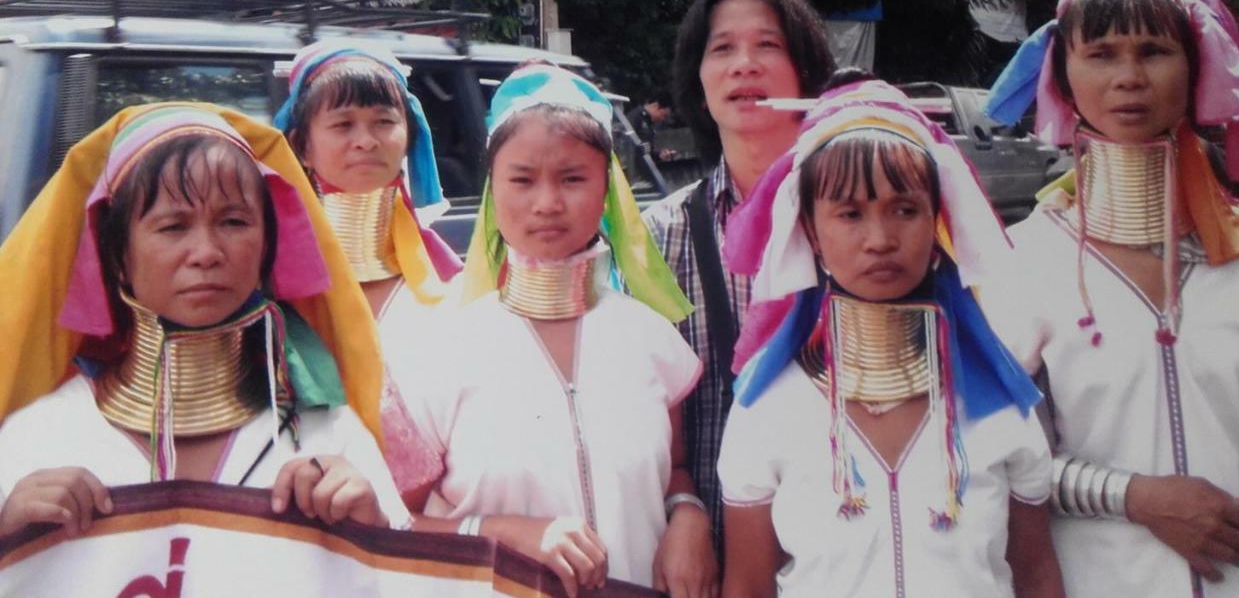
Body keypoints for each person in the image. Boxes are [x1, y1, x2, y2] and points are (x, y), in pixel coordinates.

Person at [983, 0, 1239, 597]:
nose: (1129, 77)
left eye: (1153, 50)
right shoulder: (1023, 263)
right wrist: (1135, 496)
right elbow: (995, 458)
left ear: (1195, 69)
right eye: (1102, 53)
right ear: (1063, 76)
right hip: (1101, 579)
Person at [716, 76, 1062, 597]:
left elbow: (1036, 576)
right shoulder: (767, 409)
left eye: (905, 210)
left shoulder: (999, 406)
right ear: (809, 230)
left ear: (936, 220)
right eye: (850, 214)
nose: (880, 240)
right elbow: (746, 587)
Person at [0, 104, 409, 536]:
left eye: (233, 222)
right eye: (173, 227)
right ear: (118, 256)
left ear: (267, 247)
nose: (207, 252)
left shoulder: (325, 434)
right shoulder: (42, 435)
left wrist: (372, 534)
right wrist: (8, 537)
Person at [394, 63, 714, 597]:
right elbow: (390, 522)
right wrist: (502, 535)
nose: (547, 203)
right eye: (522, 179)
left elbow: (674, 468)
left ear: (608, 188)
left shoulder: (652, 339)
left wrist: (688, 513)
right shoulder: (440, 348)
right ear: (493, 190)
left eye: (572, 178)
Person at [643, 0, 836, 554]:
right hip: (713, 558)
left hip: (845, 557)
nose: (744, 64)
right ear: (698, 81)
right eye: (722, 48)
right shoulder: (660, 237)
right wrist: (682, 508)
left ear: (805, 70)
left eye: (768, 45)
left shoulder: (865, 222)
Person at [274, 41, 463, 509]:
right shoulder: (272, 291)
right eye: (341, 125)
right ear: (301, 145)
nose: (366, 141)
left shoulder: (457, 291)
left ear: (409, 136)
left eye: (384, 122)